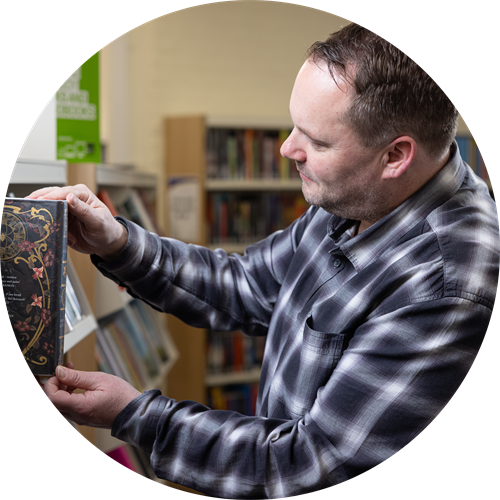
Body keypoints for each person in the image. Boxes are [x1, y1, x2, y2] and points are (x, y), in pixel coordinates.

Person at [31, 23, 499, 498]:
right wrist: (118, 243)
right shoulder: (358, 195)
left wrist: (132, 415)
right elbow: (247, 284)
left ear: (395, 155)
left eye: (316, 141)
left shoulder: (446, 284)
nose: (286, 149)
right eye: (294, 124)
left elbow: (308, 463)